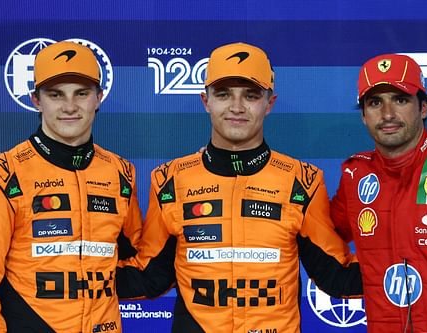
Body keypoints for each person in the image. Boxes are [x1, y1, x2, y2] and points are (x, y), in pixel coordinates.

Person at [116, 42, 362, 333]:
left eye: (251, 95)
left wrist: (421, 257)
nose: (236, 107)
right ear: (205, 101)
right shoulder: (169, 179)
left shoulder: (302, 181)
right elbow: (149, 276)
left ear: (269, 103)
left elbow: (337, 275)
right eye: (223, 94)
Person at [330, 54, 427, 333]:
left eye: (400, 100)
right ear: (364, 116)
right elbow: (319, 237)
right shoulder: (356, 177)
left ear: (424, 107)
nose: (388, 114)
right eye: (375, 102)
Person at [0, 41, 142, 332]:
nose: (70, 107)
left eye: (81, 94)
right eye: (56, 94)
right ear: (36, 100)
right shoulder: (4, 173)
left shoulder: (120, 172)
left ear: (98, 97)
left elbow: (140, 260)